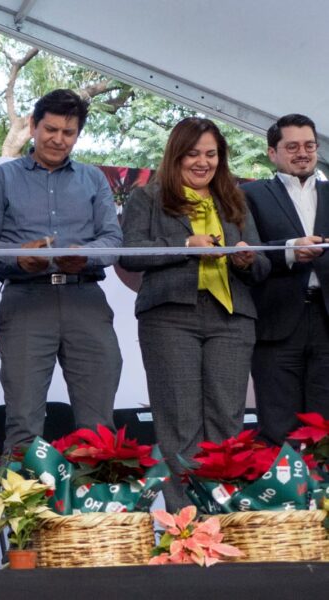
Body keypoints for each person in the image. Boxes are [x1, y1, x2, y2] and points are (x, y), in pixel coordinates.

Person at [120, 117, 270, 510]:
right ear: (176, 155)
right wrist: (187, 244)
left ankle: (224, 516)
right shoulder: (147, 198)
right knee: (179, 423)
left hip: (232, 318)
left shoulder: (236, 200)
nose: (203, 162)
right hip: (170, 317)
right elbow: (130, 253)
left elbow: (261, 265)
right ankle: (186, 525)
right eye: (193, 154)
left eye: (211, 154)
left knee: (227, 423)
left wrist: (247, 258)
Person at [0, 89, 122, 455]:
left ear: (78, 135)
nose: (59, 139)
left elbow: (113, 240)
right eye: (51, 129)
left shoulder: (93, 179)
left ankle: (98, 494)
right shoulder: (2, 177)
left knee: (99, 427)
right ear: (33, 126)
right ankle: (19, 492)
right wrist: (18, 257)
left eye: (68, 132)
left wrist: (86, 256)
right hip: (26, 299)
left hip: (85, 299)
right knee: (23, 422)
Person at [242, 114, 329, 445]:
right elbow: (246, 251)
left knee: (325, 429)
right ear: (272, 152)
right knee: (278, 426)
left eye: (309, 145)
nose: (302, 153)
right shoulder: (250, 194)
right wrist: (290, 250)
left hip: (326, 320)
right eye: (292, 146)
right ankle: (282, 480)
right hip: (276, 319)